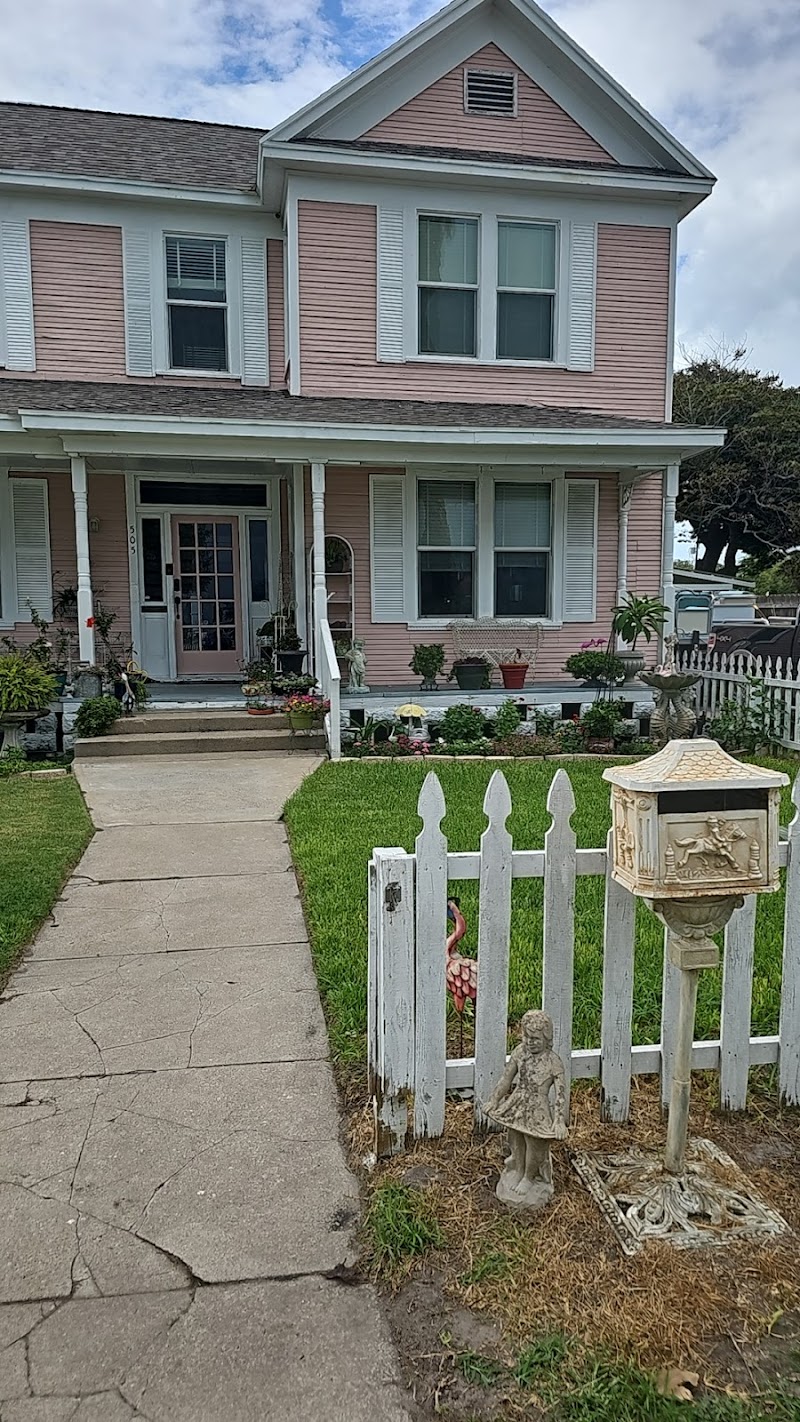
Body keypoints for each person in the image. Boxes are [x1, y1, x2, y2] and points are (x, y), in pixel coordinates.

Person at [484, 1010, 567, 1208]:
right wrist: (495, 1100)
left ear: (547, 1039)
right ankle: (518, 1170)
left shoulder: (553, 1062)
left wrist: (559, 1120)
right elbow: (506, 1079)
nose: (530, 1042)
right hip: (518, 1102)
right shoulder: (520, 1053)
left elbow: (561, 1095)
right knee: (516, 1138)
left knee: (535, 1143)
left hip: (537, 1108)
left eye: (536, 1038)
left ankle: (530, 1177)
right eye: (527, 1037)